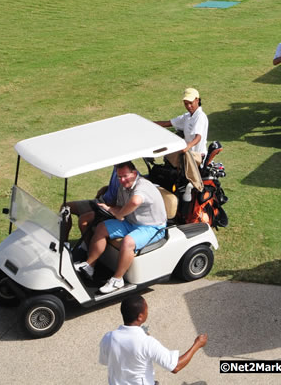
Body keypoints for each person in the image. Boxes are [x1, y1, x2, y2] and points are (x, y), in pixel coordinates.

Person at [74, 161, 168, 294]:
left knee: (128, 242)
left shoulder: (142, 186)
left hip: (152, 227)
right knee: (101, 228)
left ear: (134, 173)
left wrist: (119, 214)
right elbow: (121, 208)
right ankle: (90, 265)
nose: (122, 180)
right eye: (119, 177)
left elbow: (135, 202)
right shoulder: (123, 187)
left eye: (125, 176)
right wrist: (110, 209)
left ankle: (118, 279)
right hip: (131, 222)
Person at [100, 294, 207, 385]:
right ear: (140, 317)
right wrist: (197, 344)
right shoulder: (147, 342)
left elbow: (106, 361)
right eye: (147, 309)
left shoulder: (108, 337)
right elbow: (175, 367)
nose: (148, 311)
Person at [155, 87, 209, 192]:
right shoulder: (187, 116)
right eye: (186, 104)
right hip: (186, 154)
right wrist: (148, 123)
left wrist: (188, 146)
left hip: (196, 156)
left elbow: (198, 137)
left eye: (190, 103)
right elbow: (168, 123)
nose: (188, 106)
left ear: (197, 100)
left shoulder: (200, 117)